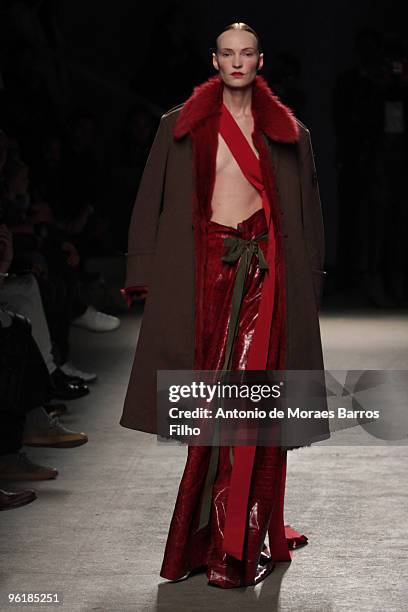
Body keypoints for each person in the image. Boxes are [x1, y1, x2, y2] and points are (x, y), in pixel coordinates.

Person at [120, 22, 329, 588]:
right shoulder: (179, 127)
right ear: (215, 61)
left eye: (247, 54)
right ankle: (206, 540)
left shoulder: (289, 132)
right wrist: (142, 271)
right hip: (203, 273)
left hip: (265, 271)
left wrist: (308, 280)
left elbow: (306, 213)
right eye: (228, 54)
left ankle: (231, 546)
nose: (237, 63)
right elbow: (151, 197)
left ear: (260, 62)